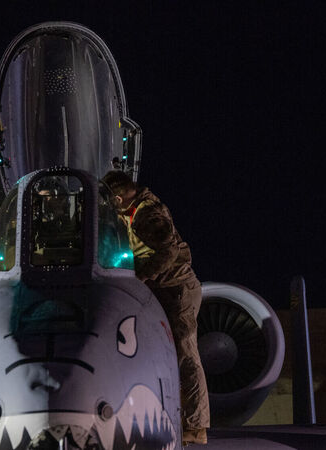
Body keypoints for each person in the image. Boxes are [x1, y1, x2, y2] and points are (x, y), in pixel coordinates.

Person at [101, 170, 210, 445]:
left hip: (178, 290)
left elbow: (168, 252)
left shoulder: (148, 214)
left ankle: (196, 426)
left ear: (118, 198)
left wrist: (141, 276)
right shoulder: (131, 212)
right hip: (162, 290)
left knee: (185, 353)